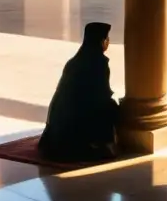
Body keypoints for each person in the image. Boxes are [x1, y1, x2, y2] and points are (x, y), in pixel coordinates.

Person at [39, 22, 119, 162]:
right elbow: (101, 97)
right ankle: (101, 145)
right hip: (74, 132)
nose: (108, 42)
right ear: (101, 41)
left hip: (54, 135)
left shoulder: (74, 61)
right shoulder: (99, 63)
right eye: (107, 39)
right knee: (110, 107)